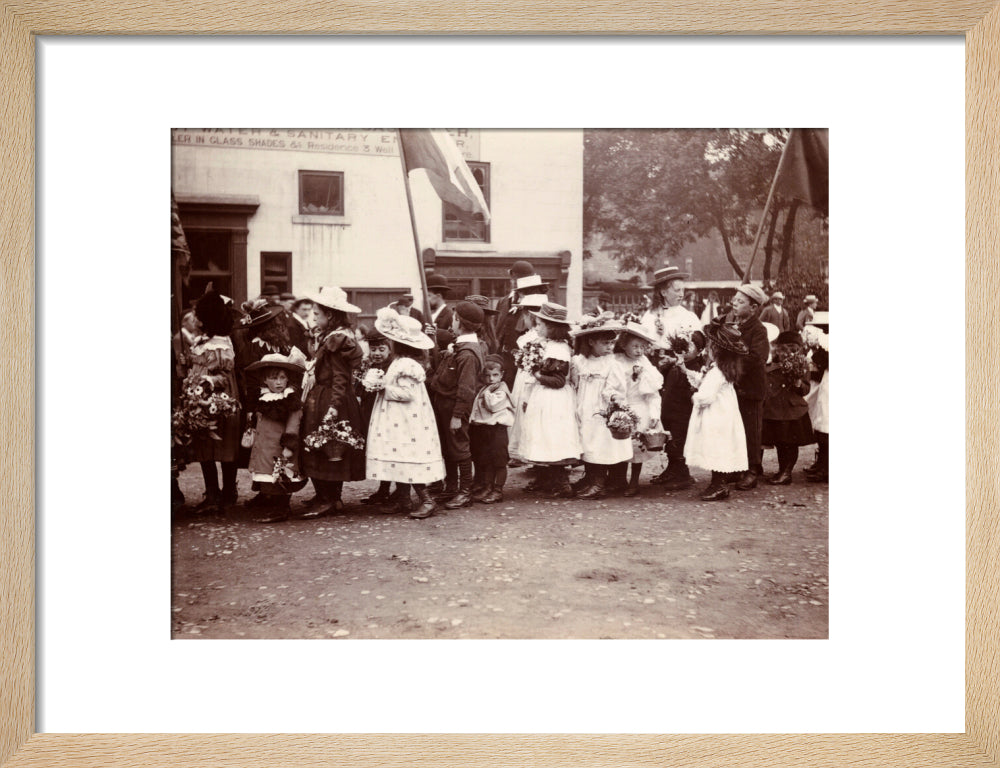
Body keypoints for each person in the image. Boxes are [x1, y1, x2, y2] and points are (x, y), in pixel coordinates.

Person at [365, 307, 444, 520]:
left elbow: (407, 394)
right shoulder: (399, 362)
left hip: (407, 417)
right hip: (397, 416)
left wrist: (382, 387)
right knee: (397, 455)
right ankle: (403, 500)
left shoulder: (406, 365)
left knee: (407, 454)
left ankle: (427, 500)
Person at [298, 287, 367, 518]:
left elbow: (340, 377)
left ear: (331, 315)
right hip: (323, 394)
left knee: (329, 443)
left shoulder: (338, 339)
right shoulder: (331, 336)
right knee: (321, 444)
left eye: (317, 313)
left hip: (330, 398)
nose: (313, 317)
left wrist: (334, 407)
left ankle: (330, 498)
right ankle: (325, 496)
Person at [640, 265, 701, 484]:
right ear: (663, 291)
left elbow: (697, 345)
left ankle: (680, 468)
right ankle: (671, 466)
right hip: (655, 368)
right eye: (676, 289)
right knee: (661, 415)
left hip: (678, 371)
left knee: (677, 416)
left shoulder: (688, 316)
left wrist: (678, 360)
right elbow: (643, 341)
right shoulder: (649, 315)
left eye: (682, 289)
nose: (681, 293)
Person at [184, 289, 243, 512]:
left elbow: (225, 376)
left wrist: (208, 380)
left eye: (198, 314)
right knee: (204, 447)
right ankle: (212, 493)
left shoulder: (220, 343)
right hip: (199, 399)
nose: (195, 318)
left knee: (224, 447)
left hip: (219, 399)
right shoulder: (203, 340)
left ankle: (228, 492)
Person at [427, 301, 486, 510]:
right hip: (445, 404)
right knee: (448, 448)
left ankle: (465, 492)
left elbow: (466, 389)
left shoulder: (468, 353)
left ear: (458, 321)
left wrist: (457, 415)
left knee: (459, 448)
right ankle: (451, 487)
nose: (451, 322)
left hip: (454, 406)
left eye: (453, 319)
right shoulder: (460, 347)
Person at [517, 302, 581, 498]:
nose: (536, 328)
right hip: (544, 396)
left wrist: (536, 373)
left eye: (540, 324)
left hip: (554, 399)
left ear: (551, 328)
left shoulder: (558, 350)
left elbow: (558, 381)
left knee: (553, 437)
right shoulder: (550, 346)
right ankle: (546, 478)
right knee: (543, 436)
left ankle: (561, 482)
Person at [684, 318, 750, 501]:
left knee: (716, 447)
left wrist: (695, 398)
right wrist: (687, 373)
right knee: (719, 447)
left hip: (716, 415)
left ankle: (719, 485)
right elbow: (705, 382)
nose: (707, 351)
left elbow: (706, 396)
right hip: (724, 413)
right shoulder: (720, 369)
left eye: (710, 347)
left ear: (718, 351)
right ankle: (718, 483)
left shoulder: (716, 372)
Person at [570, 315, 632, 499]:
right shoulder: (581, 361)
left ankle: (603, 482)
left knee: (601, 442)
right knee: (587, 440)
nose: (609, 347)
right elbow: (575, 383)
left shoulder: (612, 364)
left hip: (602, 409)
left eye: (611, 343)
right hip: (585, 406)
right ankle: (591, 477)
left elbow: (617, 387)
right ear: (591, 342)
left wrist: (612, 398)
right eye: (605, 343)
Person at [243, 349, 308, 523]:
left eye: (282, 378)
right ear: (264, 379)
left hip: (280, 446)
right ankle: (270, 502)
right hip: (265, 445)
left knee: (281, 475)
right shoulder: (265, 397)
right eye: (273, 378)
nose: (279, 383)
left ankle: (282, 508)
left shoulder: (289, 399)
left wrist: (289, 445)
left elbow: (294, 422)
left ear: (288, 379)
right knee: (267, 475)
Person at [610, 322, 665, 497]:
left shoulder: (644, 362)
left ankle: (634, 481)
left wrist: (654, 413)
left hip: (641, 408)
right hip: (623, 406)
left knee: (637, 449)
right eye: (635, 346)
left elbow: (653, 392)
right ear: (624, 344)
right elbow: (613, 386)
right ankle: (618, 479)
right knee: (620, 444)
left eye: (642, 347)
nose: (639, 351)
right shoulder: (617, 360)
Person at [354, 326, 405, 509]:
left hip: (389, 413)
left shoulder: (394, 367)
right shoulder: (368, 365)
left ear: (390, 349)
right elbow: (360, 388)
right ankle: (383, 488)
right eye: (373, 349)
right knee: (379, 449)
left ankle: (400, 491)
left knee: (391, 449)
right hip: (370, 411)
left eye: (381, 349)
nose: (377, 353)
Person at [726, 283, 771, 489]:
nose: (734, 304)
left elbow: (757, 358)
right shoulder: (734, 325)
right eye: (734, 300)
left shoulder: (758, 330)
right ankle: (739, 468)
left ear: (753, 308)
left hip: (751, 389)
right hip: (735, 388)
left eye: (740, 302)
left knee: (752, 431)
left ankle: (753, 470)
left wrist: (732, 360)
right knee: (737, 429)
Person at [761, 331, 815, 485]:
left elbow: (805, 389)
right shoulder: (772, 361)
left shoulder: (801, 363)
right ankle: (782, 471)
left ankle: (786, 472)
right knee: (780, 442)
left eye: (794, 349)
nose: (789, 352)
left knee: (790, 443)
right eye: (786, 348)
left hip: (792, 410)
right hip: (775, 408)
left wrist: (798, 382)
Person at [506, 292, 547, 463]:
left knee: (528, 412)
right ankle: (524, 454)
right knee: (521, 413)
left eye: (524, 314)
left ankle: (531, 455)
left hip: (532, 378)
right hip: (524, 375)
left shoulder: (534, 337)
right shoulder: (529, 335)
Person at [468, 355, 515, 504]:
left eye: (495, 375)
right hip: (485, 428)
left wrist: (488, 393)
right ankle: (487, 487)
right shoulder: (486, 387)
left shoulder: (501, 390)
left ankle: (498, 490)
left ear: (501, 375)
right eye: (487, 375)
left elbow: (493, 406)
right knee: (487, 460)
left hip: (497, 429)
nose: (491, 379)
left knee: (499, 461)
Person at [424, 273, 455, 353]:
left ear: (438, 296)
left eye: (429, 296)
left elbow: (452, 340)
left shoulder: (449, 315)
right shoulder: (432, 314)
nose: (426, 299)